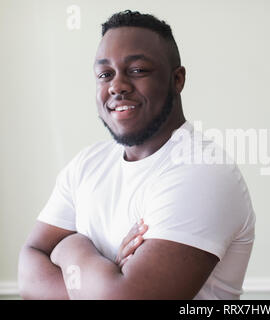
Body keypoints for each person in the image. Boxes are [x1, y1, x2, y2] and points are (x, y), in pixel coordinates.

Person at [18, 10, 255, 300]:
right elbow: (29, 273)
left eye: (138, 70)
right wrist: (105, 277)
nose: (117, 86)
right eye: (105, 74)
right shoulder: (86, 164)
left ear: (177, 79)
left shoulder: (202, 171)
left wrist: (72, 248)